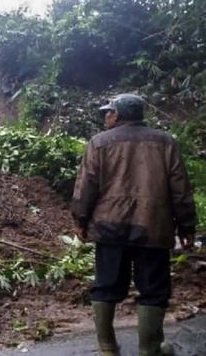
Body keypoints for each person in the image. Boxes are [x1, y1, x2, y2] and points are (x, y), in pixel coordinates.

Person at [71, 94, 196, 356]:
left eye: (108, 112)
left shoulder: (99, 143)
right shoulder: (165, 142)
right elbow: (180, 190)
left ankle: (107, 348)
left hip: (109, 227)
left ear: (118, 115)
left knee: (106, 285)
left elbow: (85, 188)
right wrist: (186, 227)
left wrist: (80, 220)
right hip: (152, 227)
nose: (105, 117)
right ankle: (150, 349)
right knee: (152, 289)